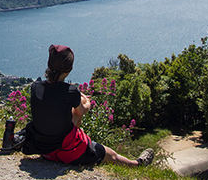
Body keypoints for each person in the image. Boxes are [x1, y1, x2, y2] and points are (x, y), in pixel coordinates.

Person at [21, 44, 153, 167]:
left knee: (72, 111)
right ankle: (138, 163)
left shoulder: (36, 87)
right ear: (69, 69)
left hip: (44, 150)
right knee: (111, 155)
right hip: (66, 154)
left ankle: (72, 141)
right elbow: (83, 110)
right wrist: (85, 99)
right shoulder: (70, 91)